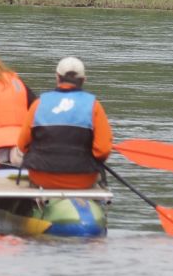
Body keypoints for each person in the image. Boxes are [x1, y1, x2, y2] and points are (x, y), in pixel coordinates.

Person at [17, 57, 113, 190]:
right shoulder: (94, 106)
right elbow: (103, 151)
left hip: (42, 178)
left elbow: (22, 145)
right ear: (84, 80)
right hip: (82, 180)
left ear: (57, 77)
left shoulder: (38, 104)